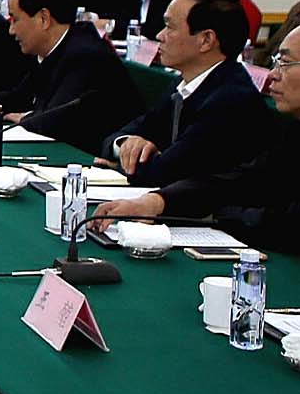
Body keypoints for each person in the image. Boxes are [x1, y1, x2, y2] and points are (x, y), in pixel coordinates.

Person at [93, 27, 300, 248]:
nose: (272, 74)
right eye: (276, 62)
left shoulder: (231, 97)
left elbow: (286, 224)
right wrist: (156, 202)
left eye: (285, 63)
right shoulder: (294, 132)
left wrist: (214, 213)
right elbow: (244, 180)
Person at [97, 0, 273, 191]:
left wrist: (120, 166)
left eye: (170, 27)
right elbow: (121, 136)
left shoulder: (231, 99)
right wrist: (126, 144)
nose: (160, 35)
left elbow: (165, 173)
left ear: (206, 40)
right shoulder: (184, 83)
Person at [0, 0, 143, 154]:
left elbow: (60, 120)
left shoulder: (86, 55)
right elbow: (23, 96)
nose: (11, 30)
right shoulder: (48, 49)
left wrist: (27, 118)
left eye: (15, 19)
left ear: (44, 19)